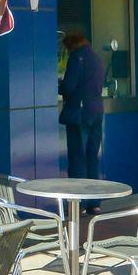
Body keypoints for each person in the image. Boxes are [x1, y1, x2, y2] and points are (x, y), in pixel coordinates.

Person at [58, 29, 107, 181]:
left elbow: (69, 87)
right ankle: (94, 195)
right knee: (92, 156)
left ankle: (78, 195)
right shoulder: (97, 58)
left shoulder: (76, 58)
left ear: (71, 45)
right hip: (97, 111)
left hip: (80, 113)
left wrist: (59, 86)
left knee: (78, 157)